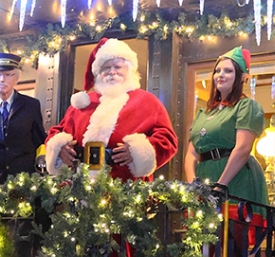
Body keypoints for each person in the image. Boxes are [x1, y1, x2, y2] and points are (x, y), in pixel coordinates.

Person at [44, 38, 178, 181]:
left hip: (128, 187)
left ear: (129, 69)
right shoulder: (83, 103)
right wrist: (60, 149)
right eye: (106, 68)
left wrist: (139, 152)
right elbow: (57, 132)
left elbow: (167, 140)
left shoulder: (147, 102)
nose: (112, 72)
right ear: (98, 73)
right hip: (81, 186)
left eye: (117, 67)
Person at [184, 46, 268, 204]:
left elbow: (243, 148)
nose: (220, 75)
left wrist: (221, 186)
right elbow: (191, 154)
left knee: (233, 226)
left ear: (242, 77)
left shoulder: (246, 106)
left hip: (234, 180)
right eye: (217, 70)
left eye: (228, 71)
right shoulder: (204, 112)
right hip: (205, 178)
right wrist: (193, 186)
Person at [0, 52, 47, 187]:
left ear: (16, 78)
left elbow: (40, 141)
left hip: (22, 181)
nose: (2, 79)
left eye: (7, 75)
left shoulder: (31, 105)